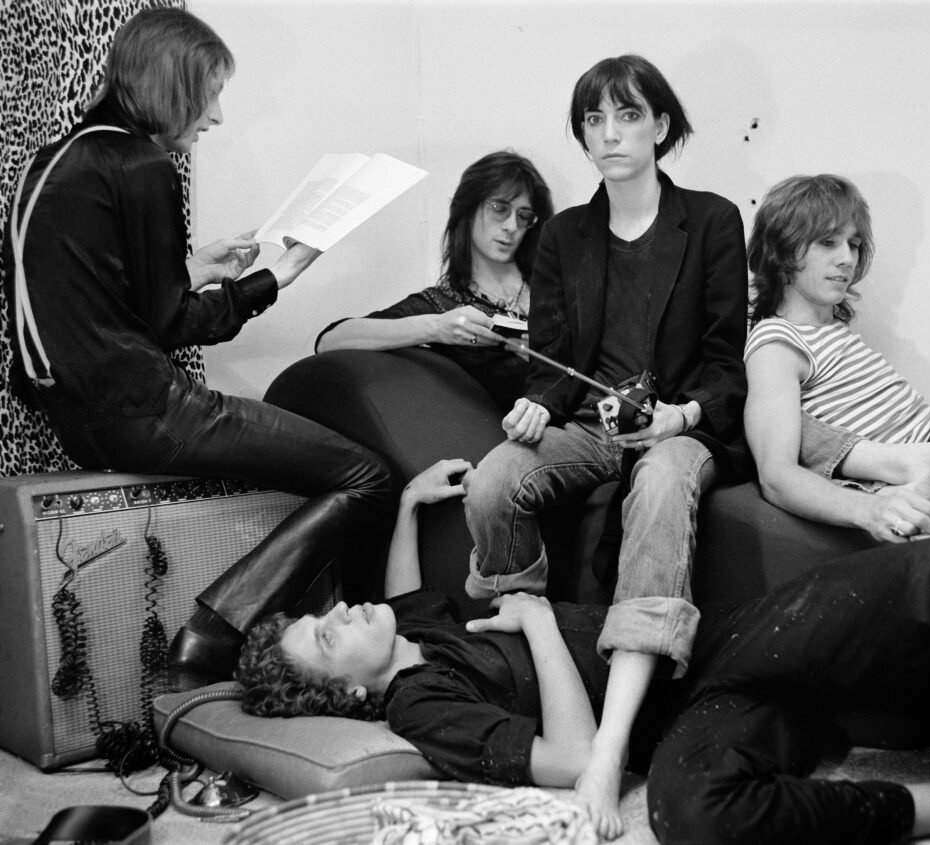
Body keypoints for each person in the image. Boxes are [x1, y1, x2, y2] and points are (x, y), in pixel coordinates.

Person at [237, 460, 930, 845]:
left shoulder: (416, 634)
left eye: (324, 613)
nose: (341, 612)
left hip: (719, 640)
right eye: (328, 636)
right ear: (349, 694)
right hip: (702, 710)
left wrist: (409, 505)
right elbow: (575, 757)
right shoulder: (420, 703)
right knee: (688, 815)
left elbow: (399, 593)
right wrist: (540, 624)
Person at [3, 7, 390, 687]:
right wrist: (277, 277)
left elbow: (99, 299)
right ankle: (213, 633)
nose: (214, 116)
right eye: (208, 95)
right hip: (147, 412)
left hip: (80, 421)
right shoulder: (143, 163)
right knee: (367, 476)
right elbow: (175, 324)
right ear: (172, 88)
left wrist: (194, 267)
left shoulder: (60, 157)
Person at [460, 55, 749, 834]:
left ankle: (609, 745)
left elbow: (726, 365)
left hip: (682, 425)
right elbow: (556, 363)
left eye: (627, 115)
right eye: (594, 119)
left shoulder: (713, 221)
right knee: (494, 481)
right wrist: (534, 404)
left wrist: (680, 419)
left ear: (660, 126)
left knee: (659, 482)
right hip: (593, 425)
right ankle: (526, 637)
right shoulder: (563, 235)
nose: (610, 133)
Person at [744, 174, 930, 543]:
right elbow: (776, 474)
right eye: (828, 242)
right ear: (779, 251)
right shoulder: (776, 344)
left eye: (854, 244)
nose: (847, 258)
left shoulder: (830, 329)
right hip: (926, 451)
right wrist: (869, 506)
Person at [315, 151, 554, 410]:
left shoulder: (555, 286)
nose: (511, 226)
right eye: (499, 208)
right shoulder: (444, 305)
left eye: (523, 216)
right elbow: (330, 341)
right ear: (469, 208)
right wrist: (436, 328)